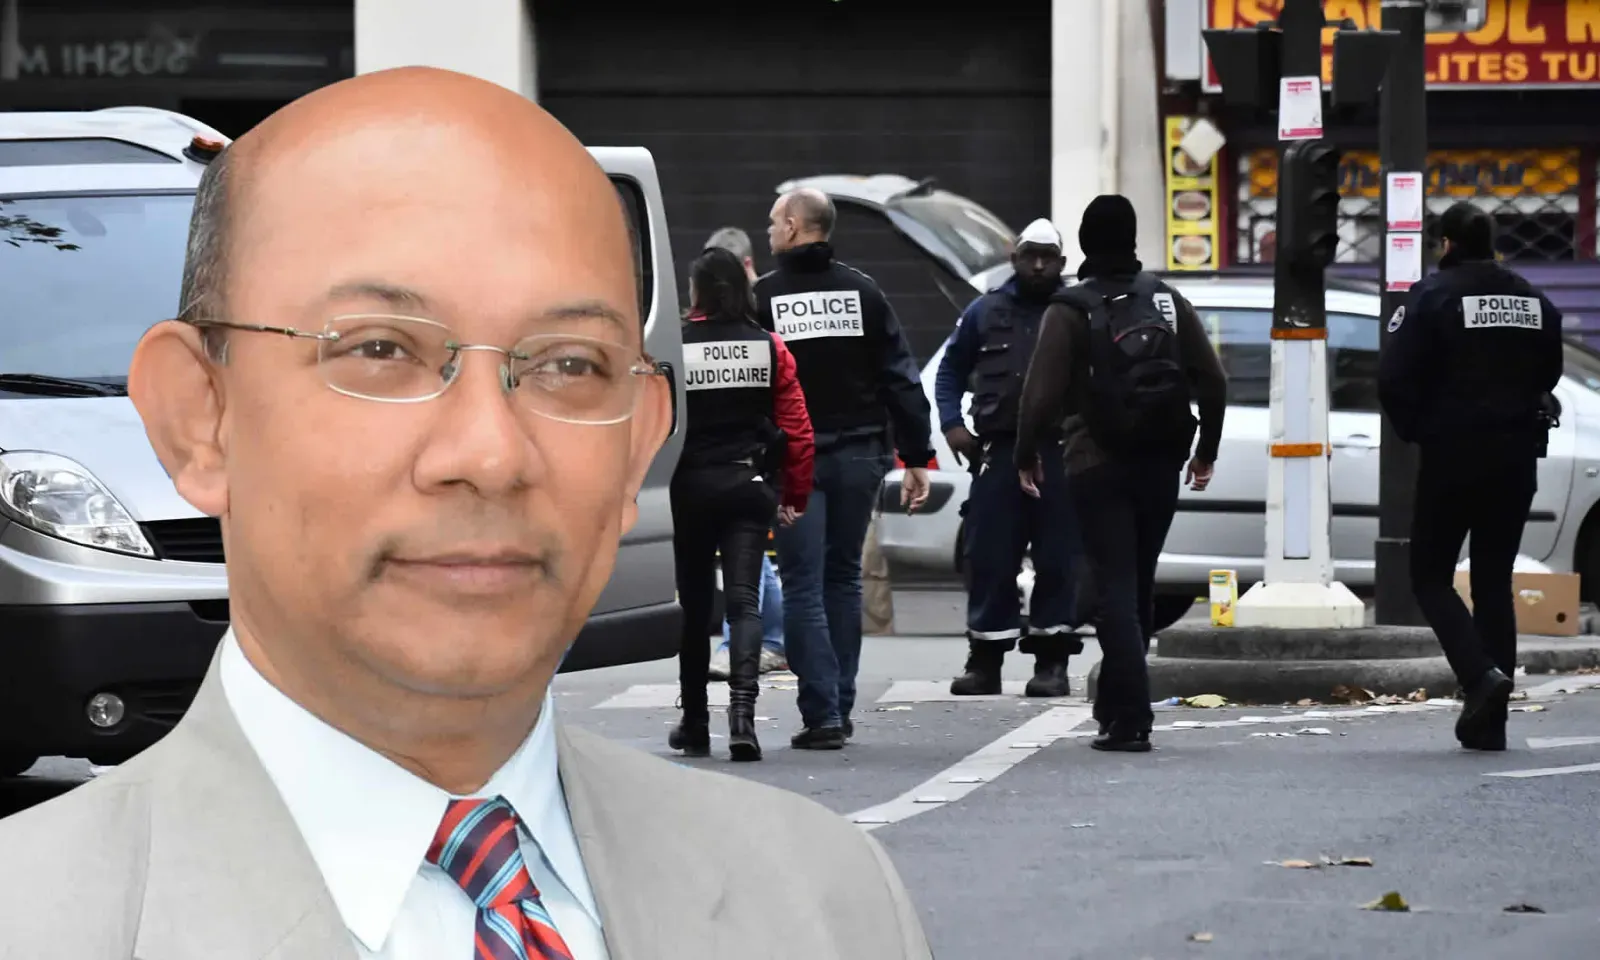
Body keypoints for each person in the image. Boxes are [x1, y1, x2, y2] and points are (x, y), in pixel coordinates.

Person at [0, 68, 932, 959]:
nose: (490, 454)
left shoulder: (830, 905)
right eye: (379, 349)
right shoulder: (35, 920)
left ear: (639, 442)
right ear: (200, 419)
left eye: (568, 363)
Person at [1015, 195, 1227, 752]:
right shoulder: (1166, 299)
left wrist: (1025, 453)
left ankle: (1131, 718)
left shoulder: (1071, 308)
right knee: (1137, 582)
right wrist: (1206, 449)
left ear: (1085, 242)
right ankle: (1114, 707)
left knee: (1112, 589)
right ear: (1132, 238)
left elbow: (1040, 395)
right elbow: (1213, 380)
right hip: (1161, 460)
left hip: (1096, 461)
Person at [1378, 202, 1563, 752]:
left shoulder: (1433, 296)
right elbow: (1550, 372)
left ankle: (1480, 676)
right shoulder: (1532, 299)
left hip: (1454, 456)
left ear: (1447, 245)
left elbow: (1393, 376)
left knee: (1430, 576)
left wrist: (1420, 429)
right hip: (1516, 458)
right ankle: (1491, 724)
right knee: (1492, 581)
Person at [754, 188, 935, 749]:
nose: (768, 231)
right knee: (843, 578)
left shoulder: (764, 297)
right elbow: (900, 377)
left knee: (802, 583)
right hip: (860, 455)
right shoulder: (864, 291)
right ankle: (841, 703)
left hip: (796, 461)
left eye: (772, 221)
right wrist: (916, 454)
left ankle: (823, 714)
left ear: (792, 225)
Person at [669, 246, 813, 762]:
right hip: (747, 486)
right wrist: (794, 494)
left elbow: (653, 425)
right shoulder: (769, 347)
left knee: (693, 606)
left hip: (688, 490)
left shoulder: (675, 347)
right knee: (744, 602)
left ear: (697, 291)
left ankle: (694, 722)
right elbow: (798, 430)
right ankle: (743, 720)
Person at [936, 218, 1087, 698]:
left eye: (1048, 257)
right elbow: (950, 371)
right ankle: (985, 663)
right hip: (998, 453)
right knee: (989, 557)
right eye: (1030, 256)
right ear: (1014, 258)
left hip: (1060, 453)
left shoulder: (1078, 311)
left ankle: (1052, 663)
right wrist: (952, 425)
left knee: (1059, 559)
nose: (1038, 265)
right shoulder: (984, 311)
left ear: (1062, 263)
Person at [703, 225, 788, 678]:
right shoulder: (759, 310)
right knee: (750, 555)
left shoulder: (762, 312)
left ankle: (745, 644)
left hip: (757, 451)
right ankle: (769, 638)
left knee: (744, 554)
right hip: (757, 451)